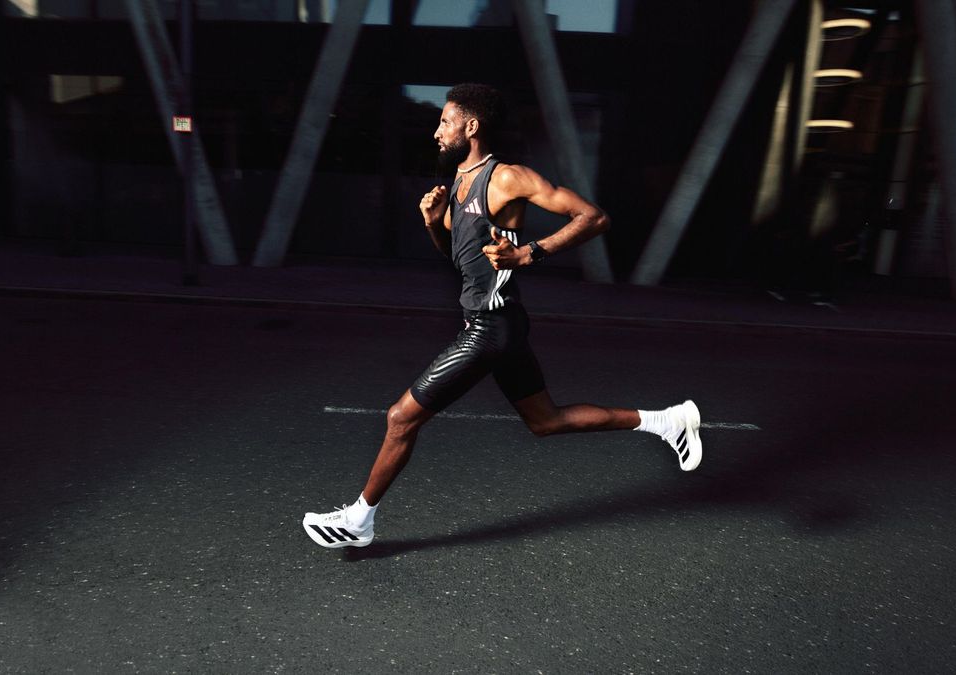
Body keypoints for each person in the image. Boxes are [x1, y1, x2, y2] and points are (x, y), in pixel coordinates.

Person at [301, 83, 702, 549]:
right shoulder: (458, 183)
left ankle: (359, 520)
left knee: (400, 418)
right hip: (499, 322)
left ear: (471, 126)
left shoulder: (506, 177)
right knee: (545, 421)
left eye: (445, 121)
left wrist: (532, 252)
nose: (436, 131)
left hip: (490, 329)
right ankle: (666, 421)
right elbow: (461, 260)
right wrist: (434, 224)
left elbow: (593, 217)